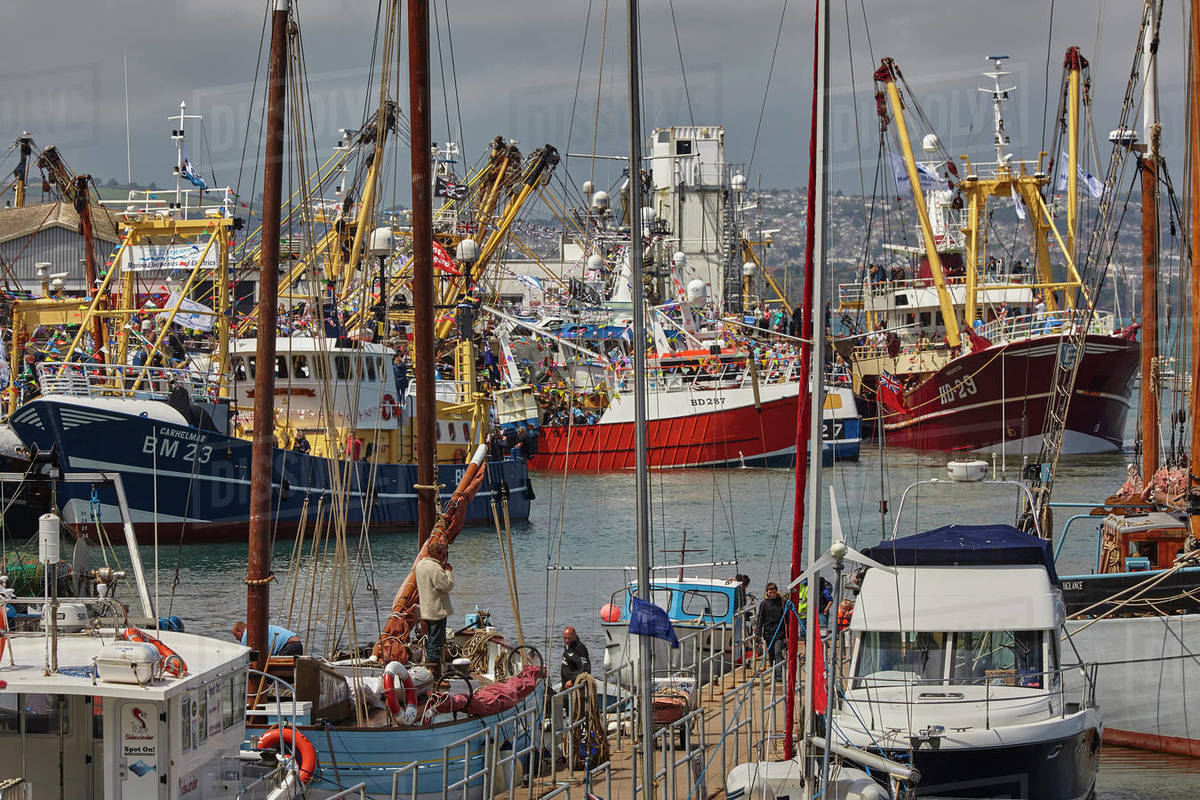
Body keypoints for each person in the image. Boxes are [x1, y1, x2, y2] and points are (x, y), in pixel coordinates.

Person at [416, 538, 454, 672]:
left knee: (431, 639)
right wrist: (448, 571)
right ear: (438, 553)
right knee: (436, 642)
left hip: (426, 610)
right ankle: (433, 673)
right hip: (437, 611)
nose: (444, 556)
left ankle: (432, 669)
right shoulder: (435, 568)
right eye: (443, 553)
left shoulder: (420, 565)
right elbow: (446, 585)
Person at [231, 620, 303, 657]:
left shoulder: (247, 635)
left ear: (239, 631)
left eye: (235, 635)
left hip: (289, 646)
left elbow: (248, 657)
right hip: (296, 645)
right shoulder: (255, 629)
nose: (236, 639)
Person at [756, 583, 785, 665]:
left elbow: (787, 618)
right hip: (768, 633)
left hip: (779, 632)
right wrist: (758, 632)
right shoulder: (764, 604)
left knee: (777, 652)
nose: (772, 595)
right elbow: (760, 619)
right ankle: (773, 672)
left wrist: (788, 635)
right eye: (770, 593)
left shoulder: (782, 603)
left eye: (774, 593)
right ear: (767, 593)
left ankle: (779, 675)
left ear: (777, 592)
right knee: (771, 654)